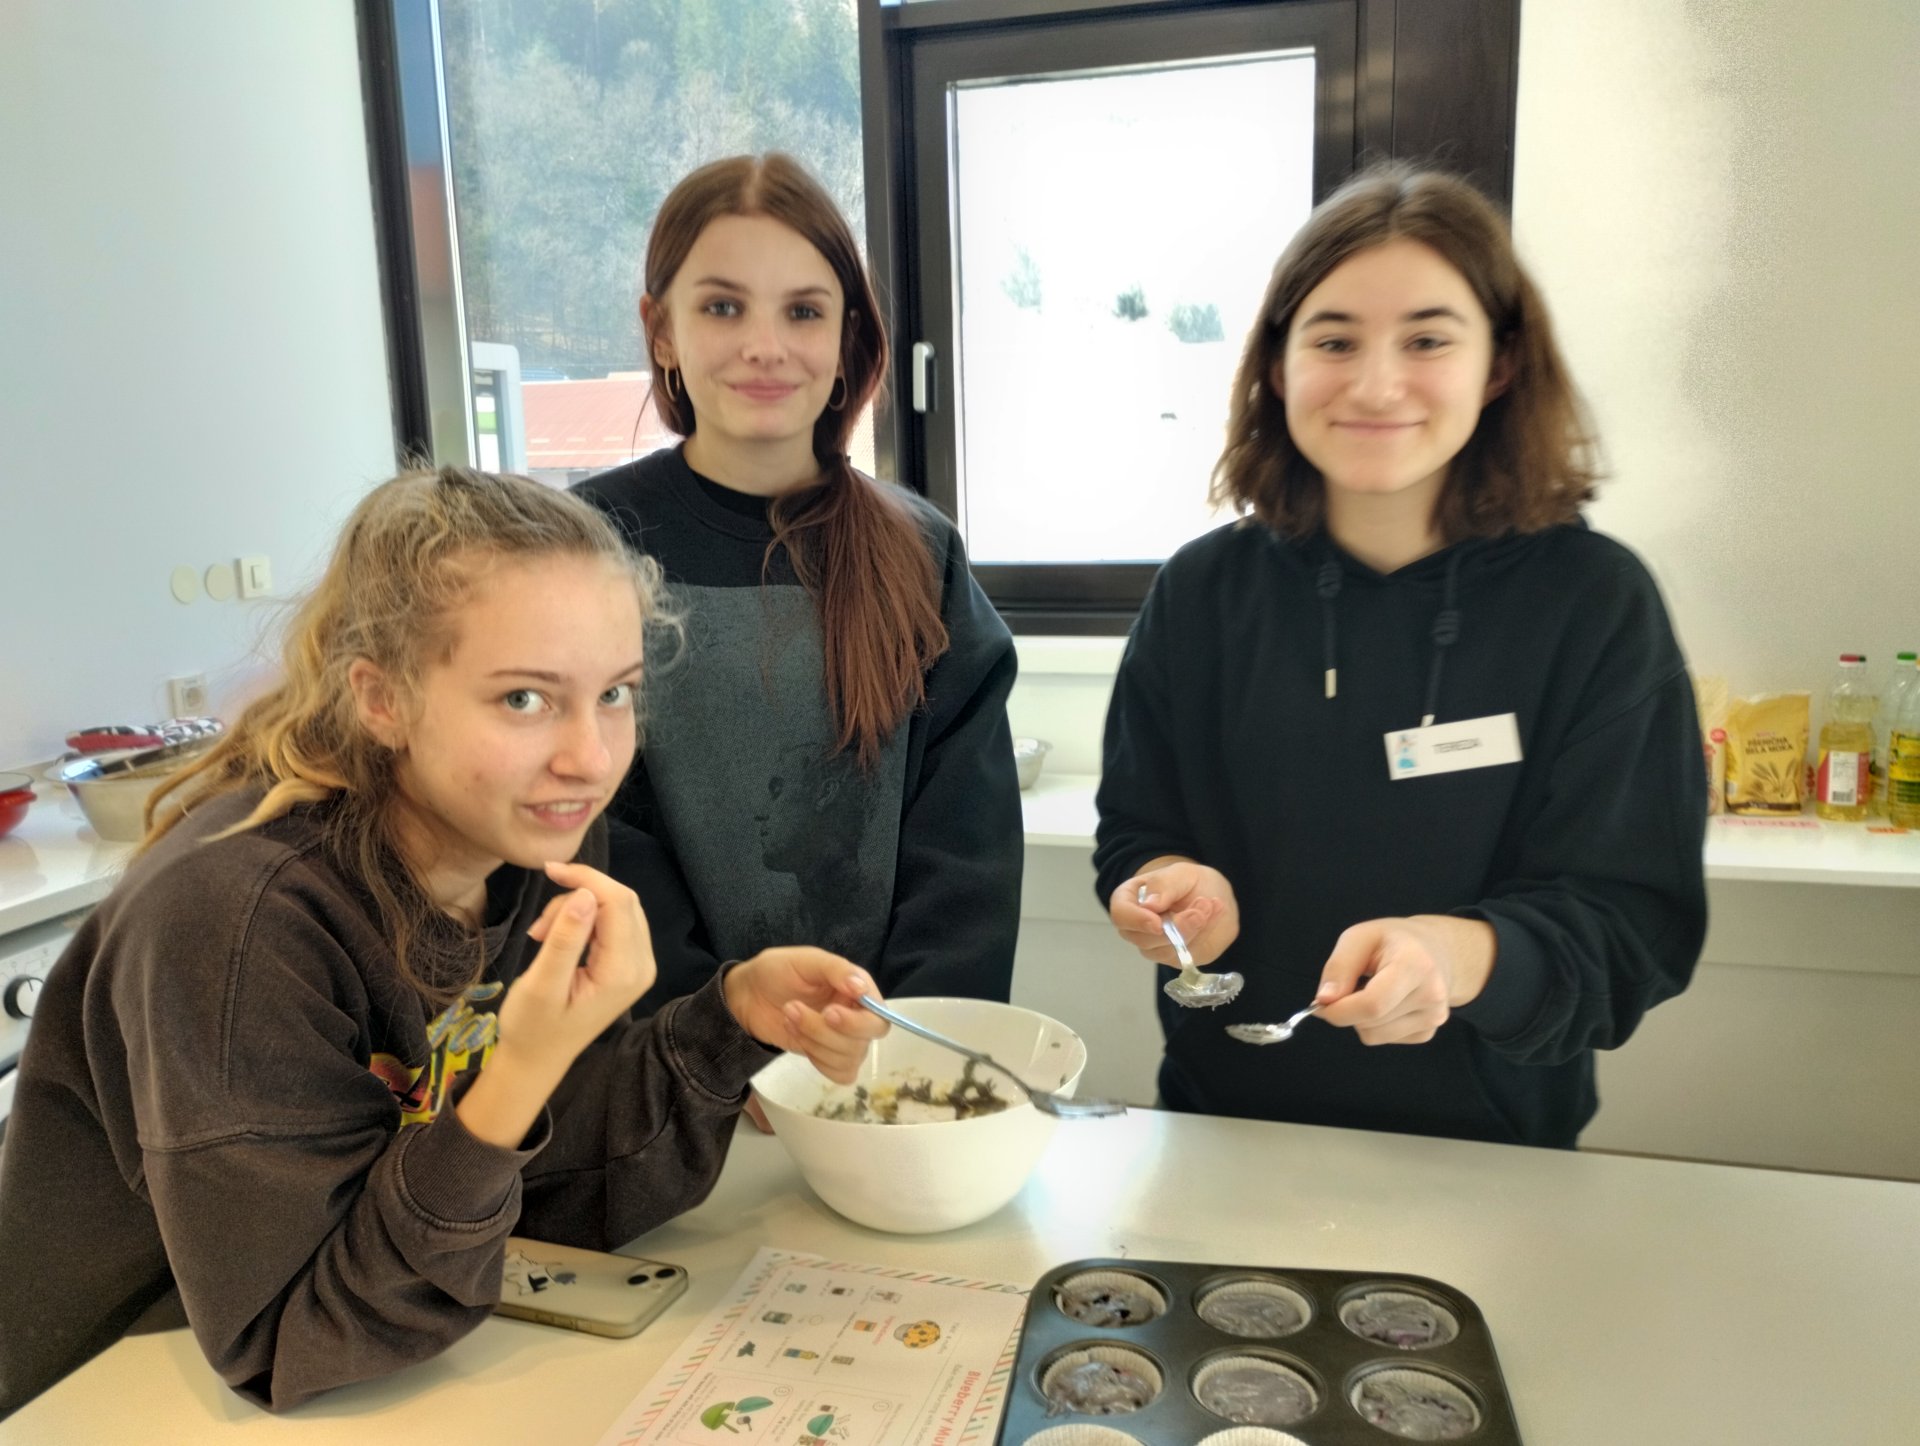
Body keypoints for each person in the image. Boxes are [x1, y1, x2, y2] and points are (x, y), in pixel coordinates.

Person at [0, 467, 886, 1417]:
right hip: (107, 1389)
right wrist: (521, 1069)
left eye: (615, 694)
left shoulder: (524, 841)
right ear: (381, 699)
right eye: (523, 700)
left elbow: (532, 1186)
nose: (590, 759)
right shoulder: (238, 921)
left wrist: (729, 1020)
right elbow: (295, 1337)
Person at [1095, 166, 1707, 1149]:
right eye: (1334, 340)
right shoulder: (1203, 593)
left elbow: (1631, 922)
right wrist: (1166, 889)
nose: (1377, 385)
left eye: (1427, 340)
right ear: (1278, 366)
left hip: (1494, 1154)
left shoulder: (1593, 603)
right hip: (1224, 1133)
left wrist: (1455, 957)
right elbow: (1137, 826)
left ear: (1500, 364)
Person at [575, 153, 1022, 1013]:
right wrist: (716, 1031)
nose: (765, 346)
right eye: (722, 307)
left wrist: (904, 1041)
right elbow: (586, 824)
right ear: (660, 330)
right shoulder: (581, 547)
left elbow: (967, 853)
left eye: (804, 311)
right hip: (657, 1052)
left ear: (847, 335)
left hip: (885, 1054)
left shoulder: (922, 554)